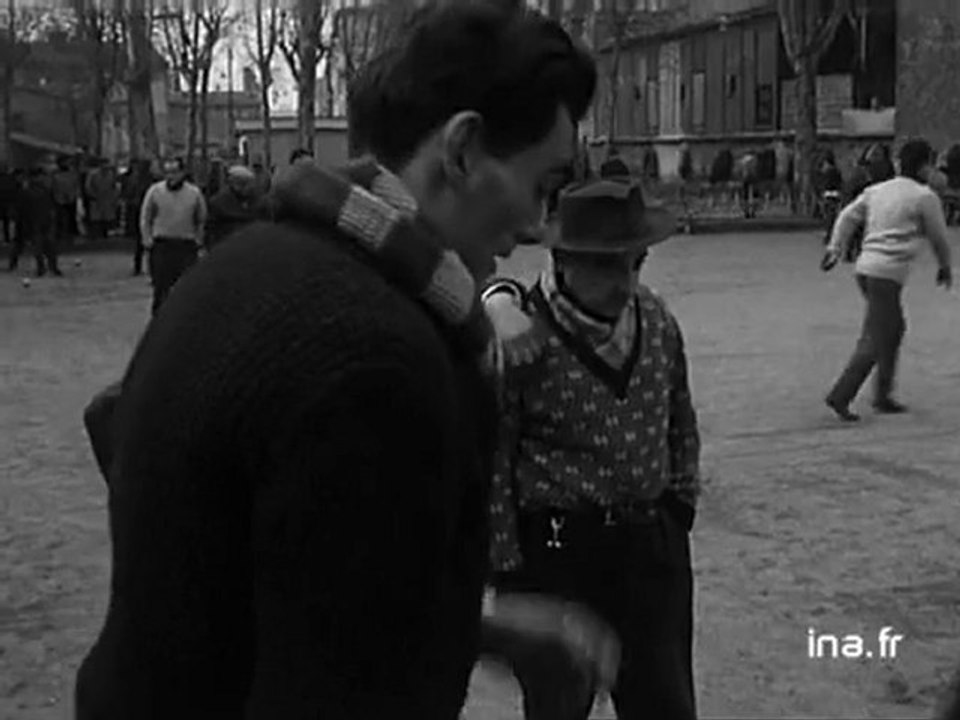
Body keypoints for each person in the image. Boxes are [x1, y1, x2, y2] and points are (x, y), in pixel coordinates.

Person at [74, 3, 599, 718]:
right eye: (541, 185)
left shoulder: (253, 265)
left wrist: (476, 627)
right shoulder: (379, 363)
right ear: (465, 149)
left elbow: (268, 578)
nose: (539, 224)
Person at [481, 177, 699, 720]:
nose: (623, 283)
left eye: (633, 264)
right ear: (564, 260)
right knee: (559, 702)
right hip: (559, 551)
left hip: (650, 548)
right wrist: (507, 566)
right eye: (606, 266)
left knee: (664, 700)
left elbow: (681, 415)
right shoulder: (524, 337)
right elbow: (496, 455)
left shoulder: (656, 320)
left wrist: (678, 506)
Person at [822, 138, 953, 421]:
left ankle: (883, 393)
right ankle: (842, 394)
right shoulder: (924, 197)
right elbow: (939, 237)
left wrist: (835, 248)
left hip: (866, 268)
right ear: (925, 167)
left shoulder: (877, 190)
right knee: (878, 335)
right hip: (888, 273)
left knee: (891, 328)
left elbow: (847, 216)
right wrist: (945, 266)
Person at [139, 157, 207, 315]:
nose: (171, 176)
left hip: (185, 245)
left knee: (186, 286)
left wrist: (198, 240)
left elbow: (201, 219)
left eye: (175, 172)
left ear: (182, 173)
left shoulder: (194, 193)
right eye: (168, 172)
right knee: (160, 287)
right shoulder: (155, 192)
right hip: (162, 244)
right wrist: (147, 240)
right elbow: (146, 217)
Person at [10, 164, 62, 277]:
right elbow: (21, 209)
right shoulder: (26, 191)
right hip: (34, 222)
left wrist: (52, 218)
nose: (41, 178)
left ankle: (52, 267)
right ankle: (42, 267)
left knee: (49, 246)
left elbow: (51, 205)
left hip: (44, 221)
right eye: (39, 176)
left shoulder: (44, 190)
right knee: (39, 246)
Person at [205, 165, 265, 250]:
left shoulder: (258, 200)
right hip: (227, 247)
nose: (247, 188)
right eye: (242, 183)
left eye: (249, 184)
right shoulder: (218, 202)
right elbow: (211, 230)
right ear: (232, 183)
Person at [85, 160, 119, 239]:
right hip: (96, 199)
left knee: (107, 217)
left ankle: (105, 233)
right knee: (96, 218)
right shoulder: (93, 174)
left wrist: (114, 197)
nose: (106, 167)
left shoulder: (111, 174)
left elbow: (115, 186)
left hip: (108, 199)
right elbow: (88, 187)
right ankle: (95, 234)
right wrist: (93, 195)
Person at [52, 156, 80, 245]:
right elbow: (54, 187)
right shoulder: (55, 175)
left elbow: (76, 186)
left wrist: (73, 195)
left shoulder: (73, 174)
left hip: (71, 198)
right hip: (59, 199)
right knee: (60, 217)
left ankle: (70, 234)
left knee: (71, 217)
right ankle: (60, 234)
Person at [0, 163, 17, 245]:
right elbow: (14, 191)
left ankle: (6, 239)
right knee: (6, 222)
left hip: (6, 203)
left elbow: (13, 191)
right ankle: (6, 239)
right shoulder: (11, 178)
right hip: (7, 203)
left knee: (6, 222)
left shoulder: (10, 178)